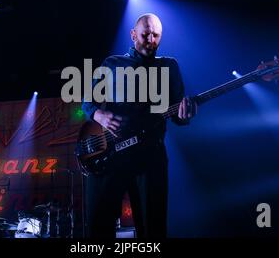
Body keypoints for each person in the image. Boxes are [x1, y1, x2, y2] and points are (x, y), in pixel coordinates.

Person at [81, 13, 197, 238]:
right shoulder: (113, 63)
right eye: (146, 34)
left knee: (153, 228)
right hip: (112, 153)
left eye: (156, 35)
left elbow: (178, 116)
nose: (151, 40)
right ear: (133, 34)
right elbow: (87, 100)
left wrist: (185, 113)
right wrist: (99, 115)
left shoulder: (170, 66)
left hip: (151, 156)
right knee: (98, 226)